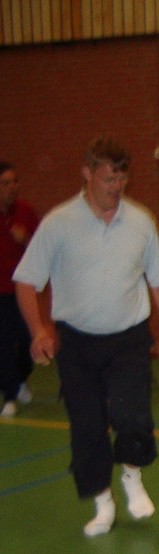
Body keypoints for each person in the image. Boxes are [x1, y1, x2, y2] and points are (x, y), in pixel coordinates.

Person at [14, 137, 159, 537]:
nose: (116, 188)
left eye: (122, 179)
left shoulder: (141, 222)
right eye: (108, 179)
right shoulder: (59, 223)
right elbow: (26, 280)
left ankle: (131, 475)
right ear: (87, 173)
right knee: (88, 427)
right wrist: (39, 330)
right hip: (77, 343)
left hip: (128, 339)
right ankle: (103, 503)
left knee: (133, 417)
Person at [0, 161, 40, 417]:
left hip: (22, 289)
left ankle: (20, 379)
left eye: (15, 181)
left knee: (28, 339)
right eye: (5, 183)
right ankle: (10, 395)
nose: (12, 187)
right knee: (4, 344)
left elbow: (41, 246)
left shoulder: (26, 212)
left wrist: (25, 239)